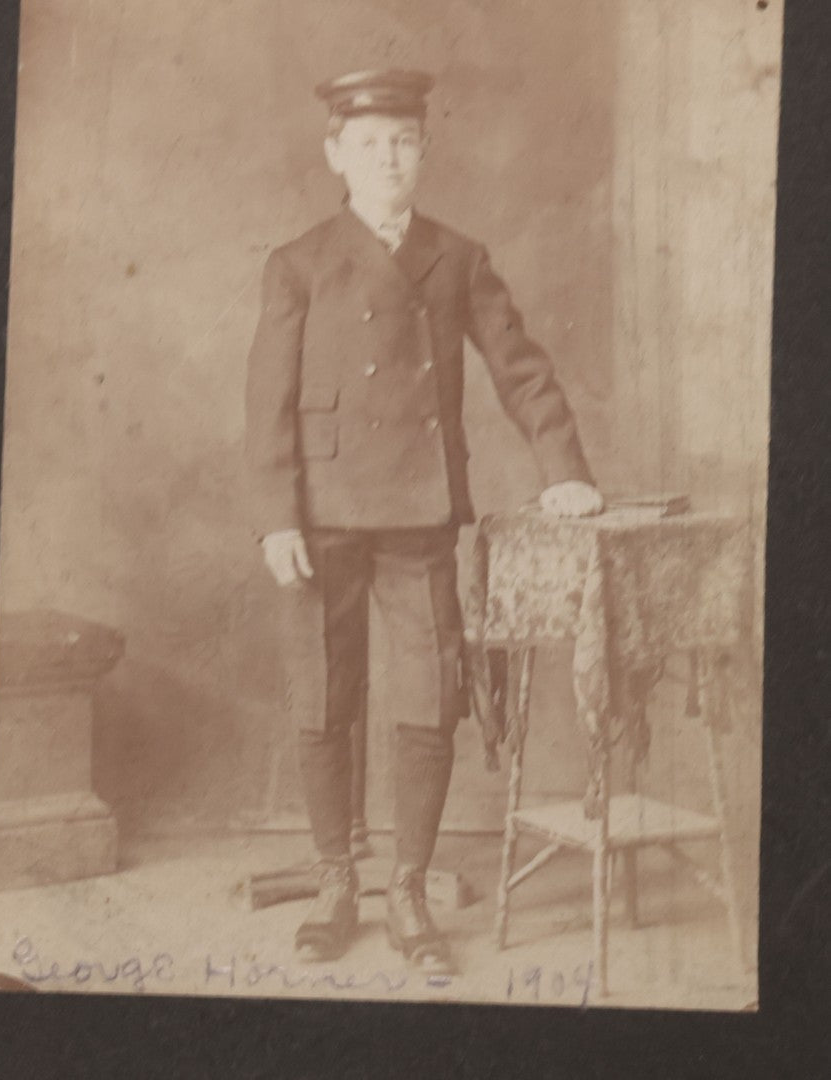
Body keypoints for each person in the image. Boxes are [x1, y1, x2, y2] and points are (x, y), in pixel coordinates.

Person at [244, 69, 603, 975]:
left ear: (425, 150)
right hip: (321, 513)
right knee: (323, 697)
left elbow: (520, 369)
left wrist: (563, 469)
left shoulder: (458, 257)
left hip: (418, 514)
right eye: (368, 144)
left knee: (427, 698)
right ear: (335, 155)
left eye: (403, 141)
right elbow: (268, 405)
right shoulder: (297, 262)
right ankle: (335, 880)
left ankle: (406, 886)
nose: (388, 159)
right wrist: (274, 517)